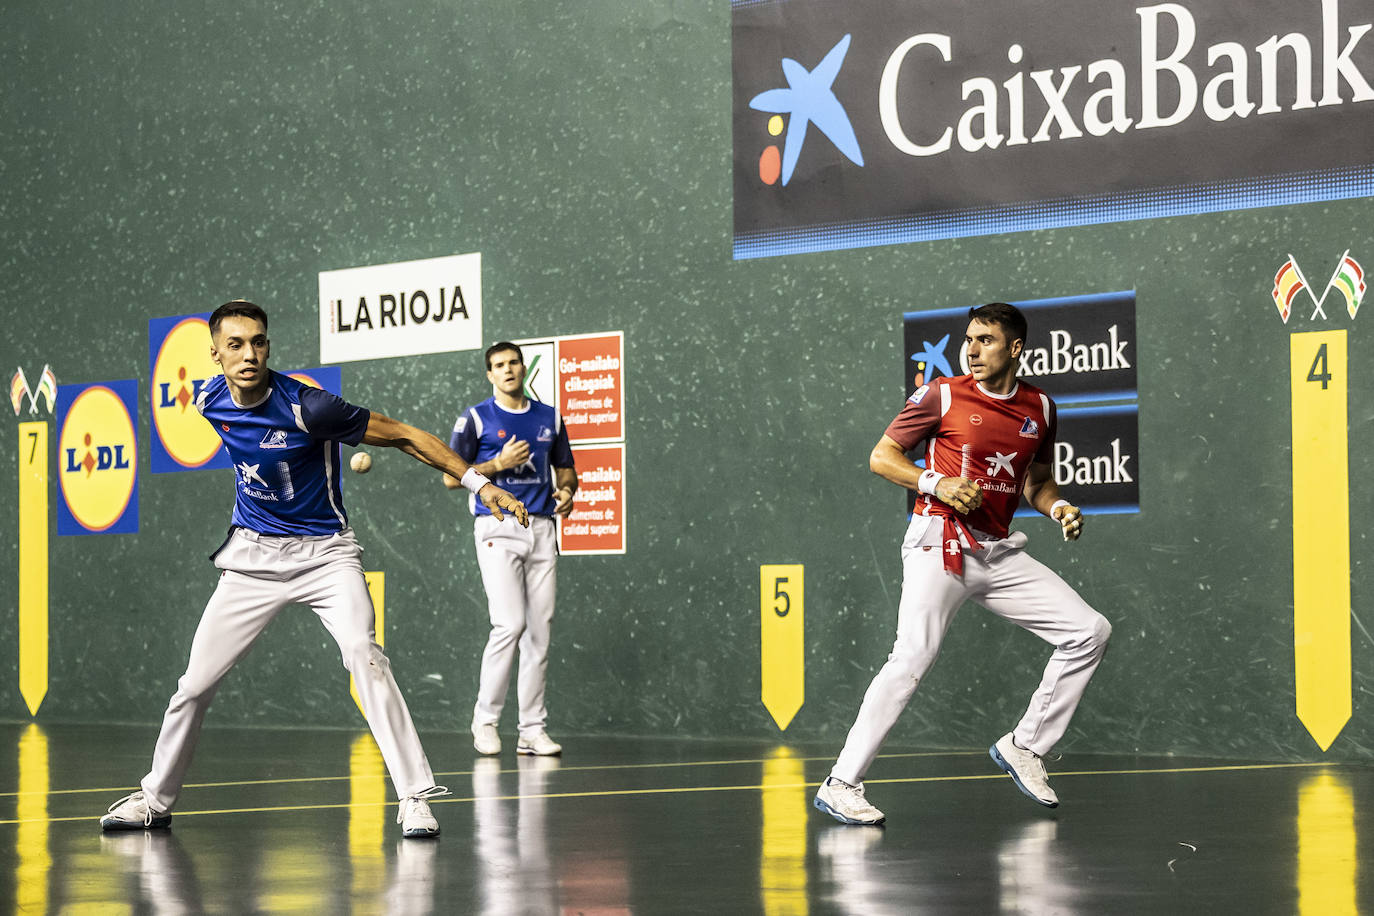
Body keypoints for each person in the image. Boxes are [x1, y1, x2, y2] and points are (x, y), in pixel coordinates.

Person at [100, 300, 529, 838]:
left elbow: (401, 435)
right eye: (235, 345)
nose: (249, 353)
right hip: (252, 560)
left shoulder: (310, 407)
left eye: (258, 342)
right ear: (215, 355)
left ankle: (415, 796)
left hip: (325, 557)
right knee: (193, 685)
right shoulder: (209, 399)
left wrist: (481, 483)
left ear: (268, 346)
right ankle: (154, 799)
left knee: (364, 654)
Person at [814, 302, 1112, 826]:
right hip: (940, 542)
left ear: (1014, 348)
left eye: (986, 340)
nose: (971, 350)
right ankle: (842, 782)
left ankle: (1025, 746)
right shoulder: (942, 394)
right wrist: (936, 481)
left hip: (996, 549)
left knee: (1089, 630)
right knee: (910, 659)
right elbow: (882, 456)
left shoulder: (1040, 407)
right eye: (968, 339)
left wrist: (1059, 507)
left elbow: (1037, 484)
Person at [444, 342, 577, 757]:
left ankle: (531, 730)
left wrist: (568, 490)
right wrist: (497, 465)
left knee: (540, 632)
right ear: (489, 374)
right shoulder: (476, 419)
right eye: (498, 365)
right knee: (509, 624)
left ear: (523, 368)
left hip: (541, 529)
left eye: (513, 363)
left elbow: (566, 467)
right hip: (497, 527)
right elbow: (452, 477)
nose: (507, 370)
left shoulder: (548, 417)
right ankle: (485, 721)